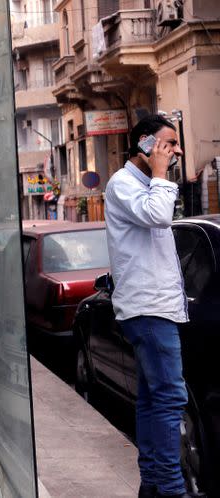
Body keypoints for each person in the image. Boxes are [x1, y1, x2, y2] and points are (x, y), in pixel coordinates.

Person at [104, 115, 193, 498]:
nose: (175, 151)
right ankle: (171, 488)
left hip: (156, 308)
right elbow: (157, 217)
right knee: (171, 398)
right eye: (168, 144)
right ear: (144, 143)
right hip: (150, 311)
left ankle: (154, 485)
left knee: (153, 400)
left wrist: (158, 175)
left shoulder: (144, 185)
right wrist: (160, 173)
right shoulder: (123, 184)